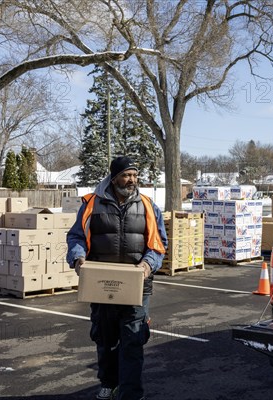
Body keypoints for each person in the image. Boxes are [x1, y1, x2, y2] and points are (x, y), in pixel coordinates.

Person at [67, 156, 168, 400]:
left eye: (134, 175)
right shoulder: (92, 204)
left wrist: (147, 265)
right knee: (106, 338)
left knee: (133, 340)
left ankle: (131, 393)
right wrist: (78, 258)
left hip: (137, 286)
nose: (131, 180)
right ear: (113, 178)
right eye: (126, 175)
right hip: (101, 285)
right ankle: (109, 383)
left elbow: (159, 244)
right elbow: (76, 237)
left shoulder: (147, 206)